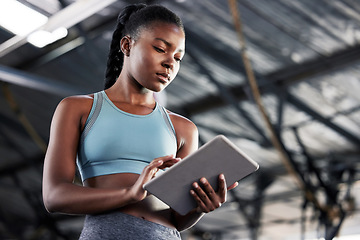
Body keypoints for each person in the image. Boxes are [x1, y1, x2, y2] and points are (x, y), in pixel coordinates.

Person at [42, 4, 237, 240]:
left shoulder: (183, 129)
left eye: (178, 57)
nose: (170, 63)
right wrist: (129, 194)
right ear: (127, 45)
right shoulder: (78, 108)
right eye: (159, 49)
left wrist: (200, 208)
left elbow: (177, 219)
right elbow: (54, 196)